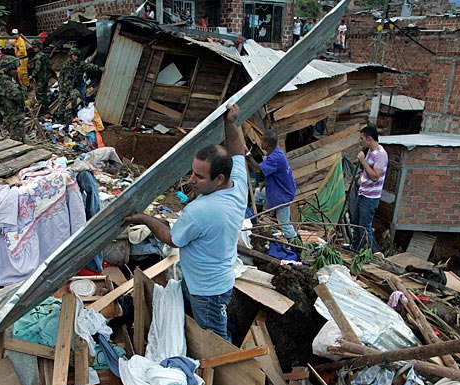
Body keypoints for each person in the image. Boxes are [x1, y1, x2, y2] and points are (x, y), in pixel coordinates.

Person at [124, 104, 247, 340]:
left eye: (199, 177)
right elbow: (237, 151)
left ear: (219, 179)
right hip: (208, 280)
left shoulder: (201, 210)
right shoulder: (237, 185)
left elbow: (172, 239)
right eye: (192, 172)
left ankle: (224, 359)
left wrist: (144, 218)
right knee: (199, 321)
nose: (191, 180)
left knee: (214, 339)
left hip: (207, 290)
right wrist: (230, 123)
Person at [246, 130, 298, 241]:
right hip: (279, 189)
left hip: (282, 194)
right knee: (258, 194)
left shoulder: (275, 158)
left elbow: (257, 170)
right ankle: (256, 220)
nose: (260, 143)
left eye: (262, 141)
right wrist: (264, 183)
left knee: (284, 223)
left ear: (266, 144)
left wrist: (247, 155)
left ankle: (296, 244)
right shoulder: (276, 152)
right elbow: (274, 171)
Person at [350, 125, 387, 253]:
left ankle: (369, 253)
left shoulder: (381, 155)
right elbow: (367, 171)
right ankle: (355, 247)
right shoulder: (370, 152)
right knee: (356, 221)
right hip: (363, 192)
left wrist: (362, 161)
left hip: (370, 197)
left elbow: (375, 176)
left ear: (369, 138)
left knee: (365, 226)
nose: (360, 141)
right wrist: (362, 178)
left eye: (362, 138)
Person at [54, 48, 101, 123]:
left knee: (74, 97)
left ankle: (71, 115)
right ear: (71, 56)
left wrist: (99, 68)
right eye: (74, 55)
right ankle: (60, 119)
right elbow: (61, 76)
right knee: (62, 103)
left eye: (77, 56)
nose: (76, 57)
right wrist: (60, 86)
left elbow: (90, 66)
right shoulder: (66, 65)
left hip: (74, 88)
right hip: (65, 88)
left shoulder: (80, 65)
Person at [0, 56, 30, 142]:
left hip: (13, 116)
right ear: (8, 69)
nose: (16, 71)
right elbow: (20, 96)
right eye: (14, 69)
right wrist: (23, 89)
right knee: (17, 141)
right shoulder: (5, 82)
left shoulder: (6, 80)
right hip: (13, 117)